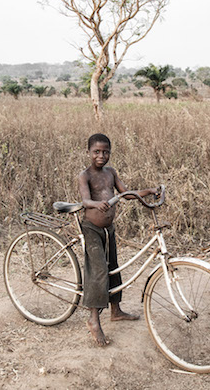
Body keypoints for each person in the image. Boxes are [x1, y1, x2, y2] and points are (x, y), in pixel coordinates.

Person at [77, 133, 159, 346]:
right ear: (89, 153)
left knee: (114, 267)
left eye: (105, 152)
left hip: (108, 229)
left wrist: (148, 192)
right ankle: (93, 319)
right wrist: (96, 204)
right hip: (92, 229)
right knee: (99, 271)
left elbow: (127, 193)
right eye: (96, 152)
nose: (101, 156)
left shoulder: (111, 173)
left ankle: (116, 310)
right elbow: (85, 199)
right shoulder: (85, 175)